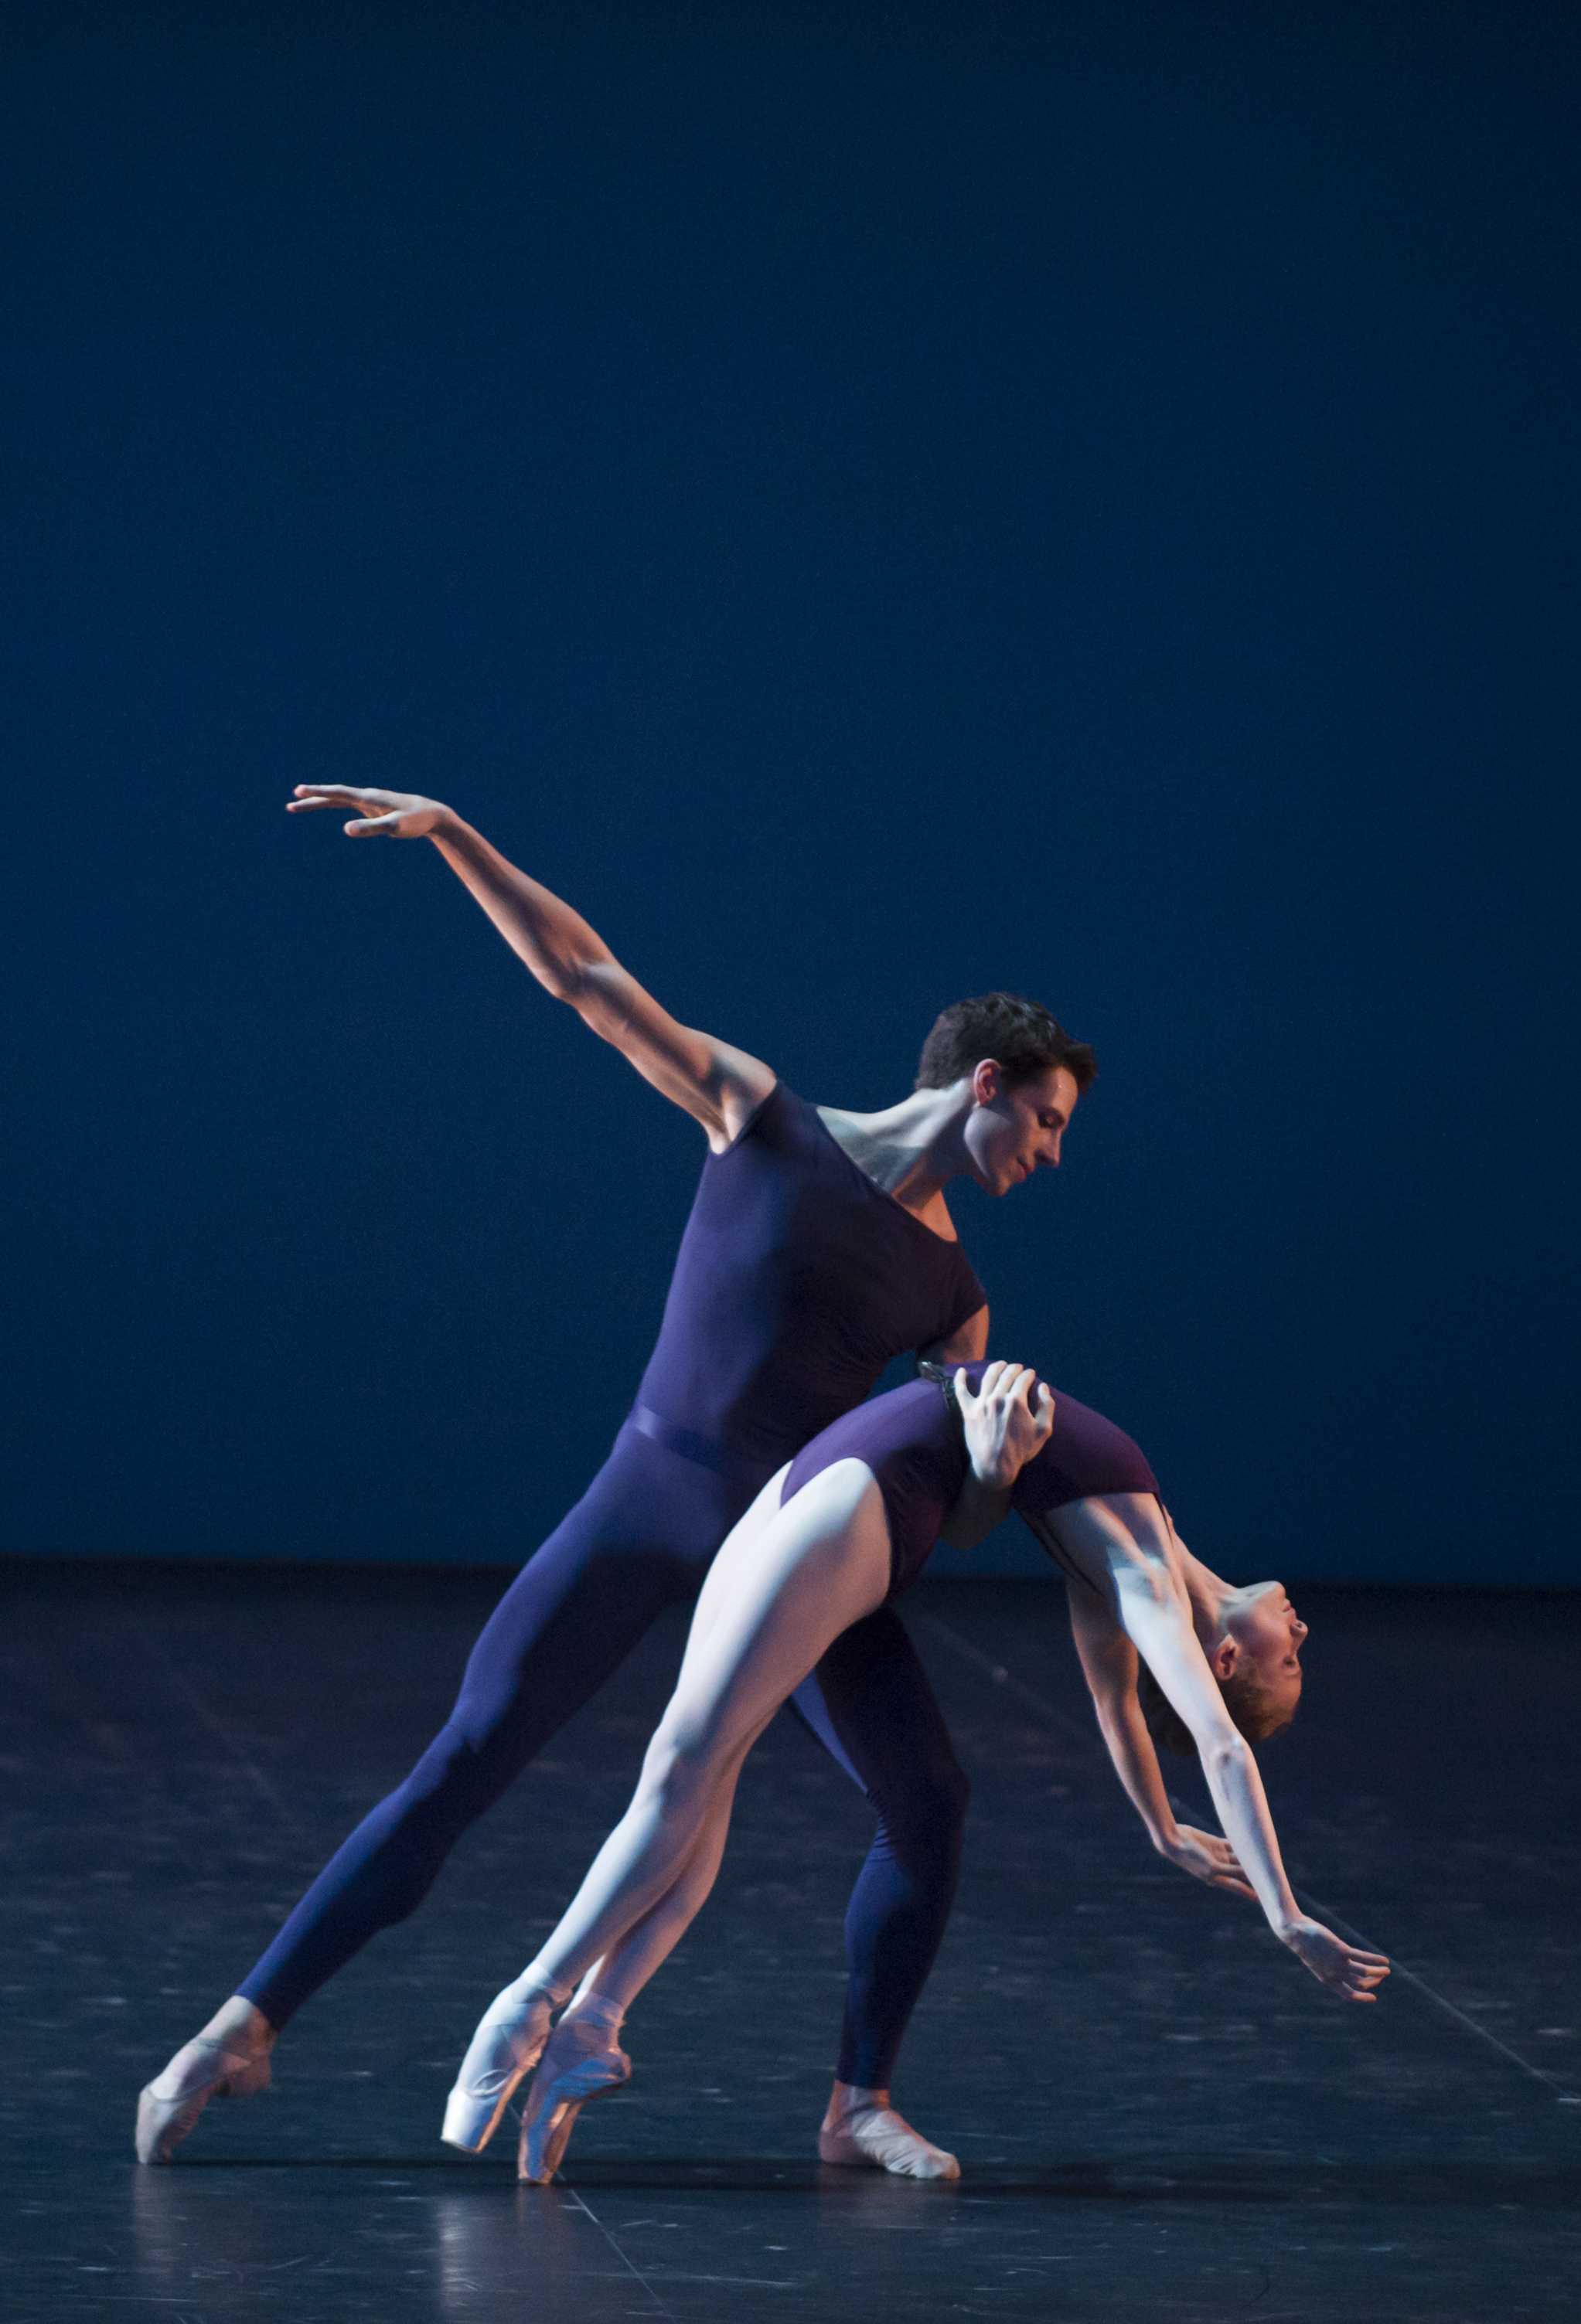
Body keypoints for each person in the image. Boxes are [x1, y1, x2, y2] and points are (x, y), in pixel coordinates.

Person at [136, 787, 1096, 2169]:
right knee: (469, 1756)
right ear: (986, 1083)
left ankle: (857, 2104)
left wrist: (994, 1481)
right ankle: (245, 2023)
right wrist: (456, 835)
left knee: (929, 1798)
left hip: (785, 1553)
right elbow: (589, 978)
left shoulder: (958, 1299)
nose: (1051, 1156)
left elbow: (944, 1521)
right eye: (1048, 1120)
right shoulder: (763, 1116)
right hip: (653, 1498)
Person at [473, 1360, 1388, 2186]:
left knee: (704, 1778)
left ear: (1222, 1661)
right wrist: (1160, 1828)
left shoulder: (1141, 1580)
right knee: (698, 1778)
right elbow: (1114, 1705)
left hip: (852, 1512)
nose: (1301, 1632)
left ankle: (557, 2014)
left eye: (1287, 1660)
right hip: (832, 1494)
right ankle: (577, 2017)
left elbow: (1216, 1745)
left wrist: (1283, 1914)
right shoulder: (1140, 1551)